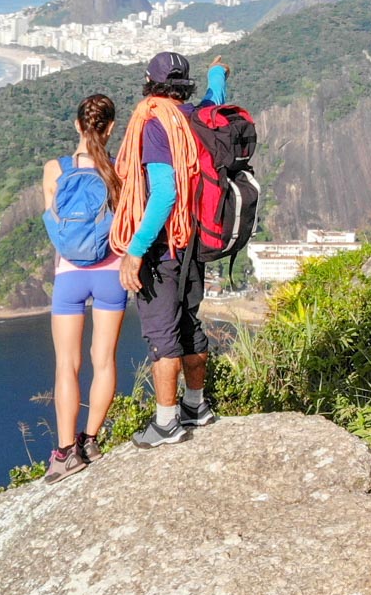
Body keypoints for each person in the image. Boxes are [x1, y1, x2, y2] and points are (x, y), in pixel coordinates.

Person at [111, 52, 230, 448]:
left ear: (149, 82)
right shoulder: (196, 116)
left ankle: (166, 424)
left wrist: (135, 250)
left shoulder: (155, 125)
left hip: (164, 249)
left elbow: (164, 194)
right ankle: (196, 406)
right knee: (190, 324)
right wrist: (217, 73)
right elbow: (216, 99)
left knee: (163, 336)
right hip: (194, 239)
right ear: (185, 85)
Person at [40, 94, 126, 483]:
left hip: (69, 276)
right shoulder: (120, 169)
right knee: (103, 360)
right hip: (111, 272)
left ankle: (63, 454)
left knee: (66, 365)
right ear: (110, 129)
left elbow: (55, 225)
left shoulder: (54, 170)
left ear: (77, 126)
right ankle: (90, 440)